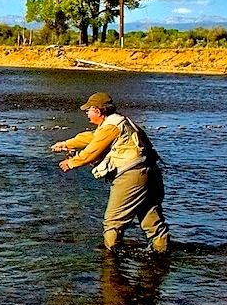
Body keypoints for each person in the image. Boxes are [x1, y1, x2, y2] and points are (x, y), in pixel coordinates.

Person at [50, 92, 169, 253]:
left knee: (113, 222)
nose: (86, 114)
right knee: (151, 219)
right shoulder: (120, 122)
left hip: (131, 176)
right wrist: (66, 144)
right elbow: (91, 138)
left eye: (88, 111)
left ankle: (110, 262)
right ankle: (161, 255)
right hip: (150, 173)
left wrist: (71, 163)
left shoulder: (111, 127)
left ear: (97, 111)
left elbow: (92, 151)